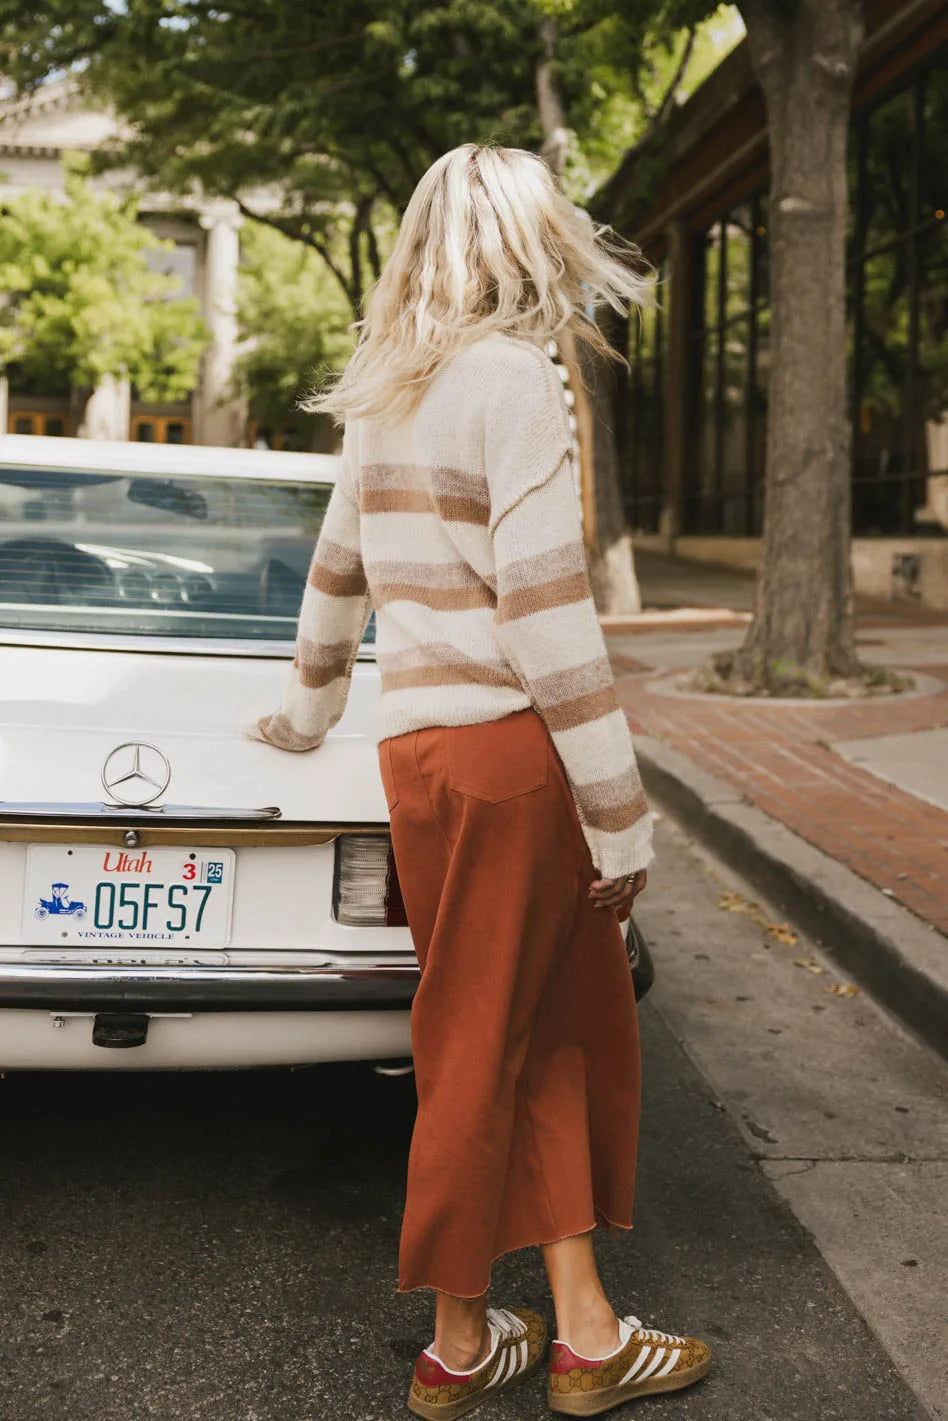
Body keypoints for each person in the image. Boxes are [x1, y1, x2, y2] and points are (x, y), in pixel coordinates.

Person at [247, 143, 711, 1419]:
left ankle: (568, 1331)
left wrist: (305, 714)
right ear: (526, 242)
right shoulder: (512, 377)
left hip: (419, 760)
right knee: (493, 1036)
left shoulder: (386, 385)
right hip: (509, 755)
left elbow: (335, 571)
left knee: (534, 1029)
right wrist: (620, 815)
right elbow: (548, 615)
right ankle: (465, 1344)